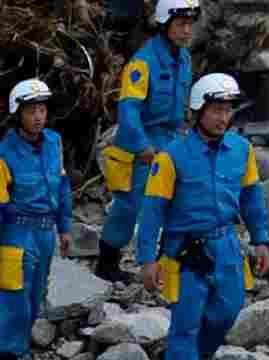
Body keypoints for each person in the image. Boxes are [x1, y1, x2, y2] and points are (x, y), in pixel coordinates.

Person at [135, 72, 269, 360]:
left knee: (229, 308)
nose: (223, 117)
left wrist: (261, 241)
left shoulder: (242, 150)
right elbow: (152, 210)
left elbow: (253, 199)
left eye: (228, 109)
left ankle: (182, 359)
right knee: (187, 318)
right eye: (216, 110)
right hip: (183, 251)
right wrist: (148, 259)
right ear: (198, 111)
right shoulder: (171, 156)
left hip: (225, 244)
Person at [0, 79, 74, 360]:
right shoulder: (2, 157)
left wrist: (65, 227)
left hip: (44, 232)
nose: (38, 116)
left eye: (42, 110)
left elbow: (62, 186)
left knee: (33, 302)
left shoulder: (55, 143)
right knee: (15, 302)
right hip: (16, 236)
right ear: (17, 113)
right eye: (31, 110)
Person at [98, 0, 196, 283]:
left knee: (179, 202)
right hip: (140, 143)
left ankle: (170, 262)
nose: (187, 30)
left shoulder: (184, 59)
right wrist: (143, 147)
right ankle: (107, 265)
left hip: (172, 138)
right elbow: (128, 111)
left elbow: (183, 104)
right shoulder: (143, 63)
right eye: (181, 24)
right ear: (165, 24)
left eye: (190, 24)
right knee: (129, 206)